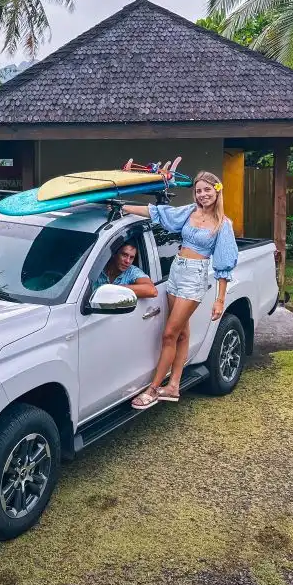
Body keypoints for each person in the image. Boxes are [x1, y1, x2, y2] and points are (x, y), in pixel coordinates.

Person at [121, 170, 238, 409]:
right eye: (198, 190)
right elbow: (159, 213)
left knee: (169, 334)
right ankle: (173, 386)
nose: (202, 194)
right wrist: (125, 208)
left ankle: (153, 389)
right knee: (182, 333)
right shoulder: (188, 212)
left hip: (194, 278)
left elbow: (224, 264)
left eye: (207, 189)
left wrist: (220, 300)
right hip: (175, 273)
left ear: (217, 190)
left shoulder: (223, 224)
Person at [92, 240, 158, 298]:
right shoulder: (97, 268)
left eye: (131, 257)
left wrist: (114, 289)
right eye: (124, 255)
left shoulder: (132, 271)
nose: (128, 261)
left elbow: (152, 290)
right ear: (114, 254)